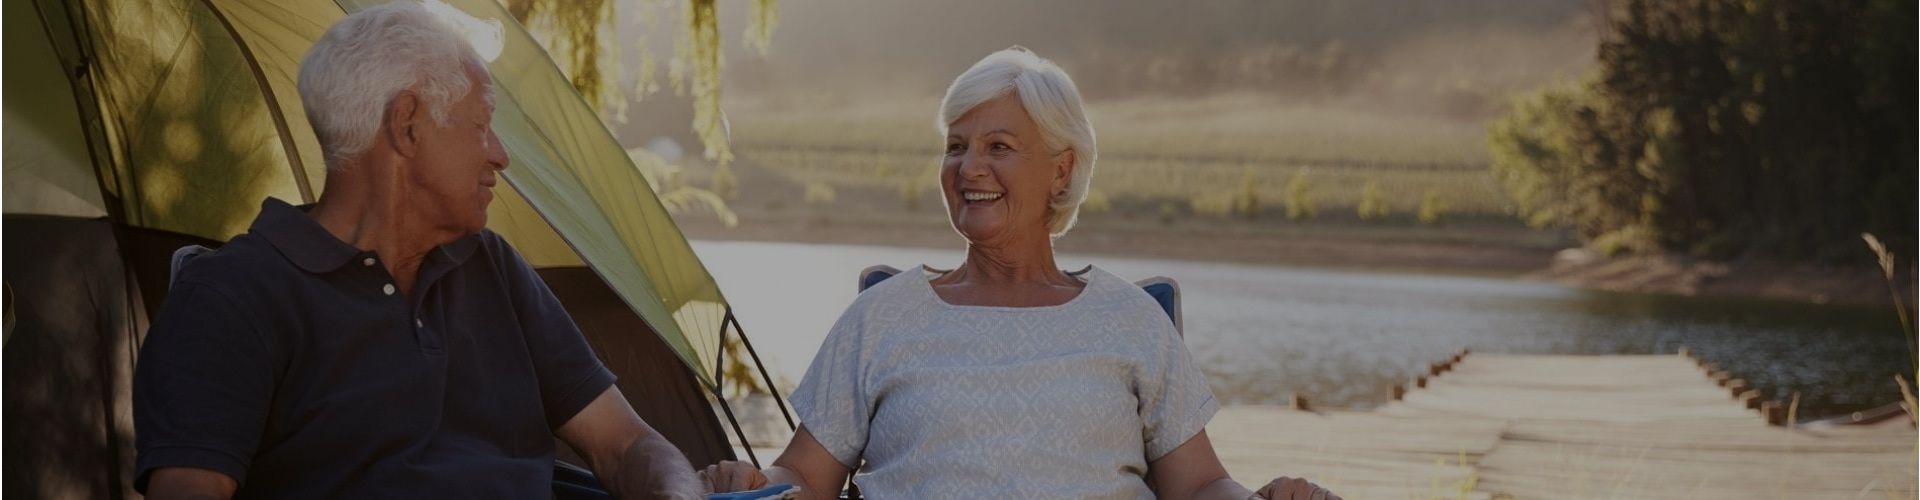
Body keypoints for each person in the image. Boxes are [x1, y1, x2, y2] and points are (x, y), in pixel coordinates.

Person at [701, 47, 1340, 499]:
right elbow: (806, 479)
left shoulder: (1128, 319)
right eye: (956, 146)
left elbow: (1199, 486)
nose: (967, 168)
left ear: (1061, 170)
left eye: (998, 147)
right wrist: (756, 484)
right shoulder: (883, 316)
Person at [132, 2, 703, 498]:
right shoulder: (233, 295)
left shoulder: (491, 265)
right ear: (406, 125)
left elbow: (625, 445)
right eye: (481, 124)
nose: (500, 155)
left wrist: (679, 494)